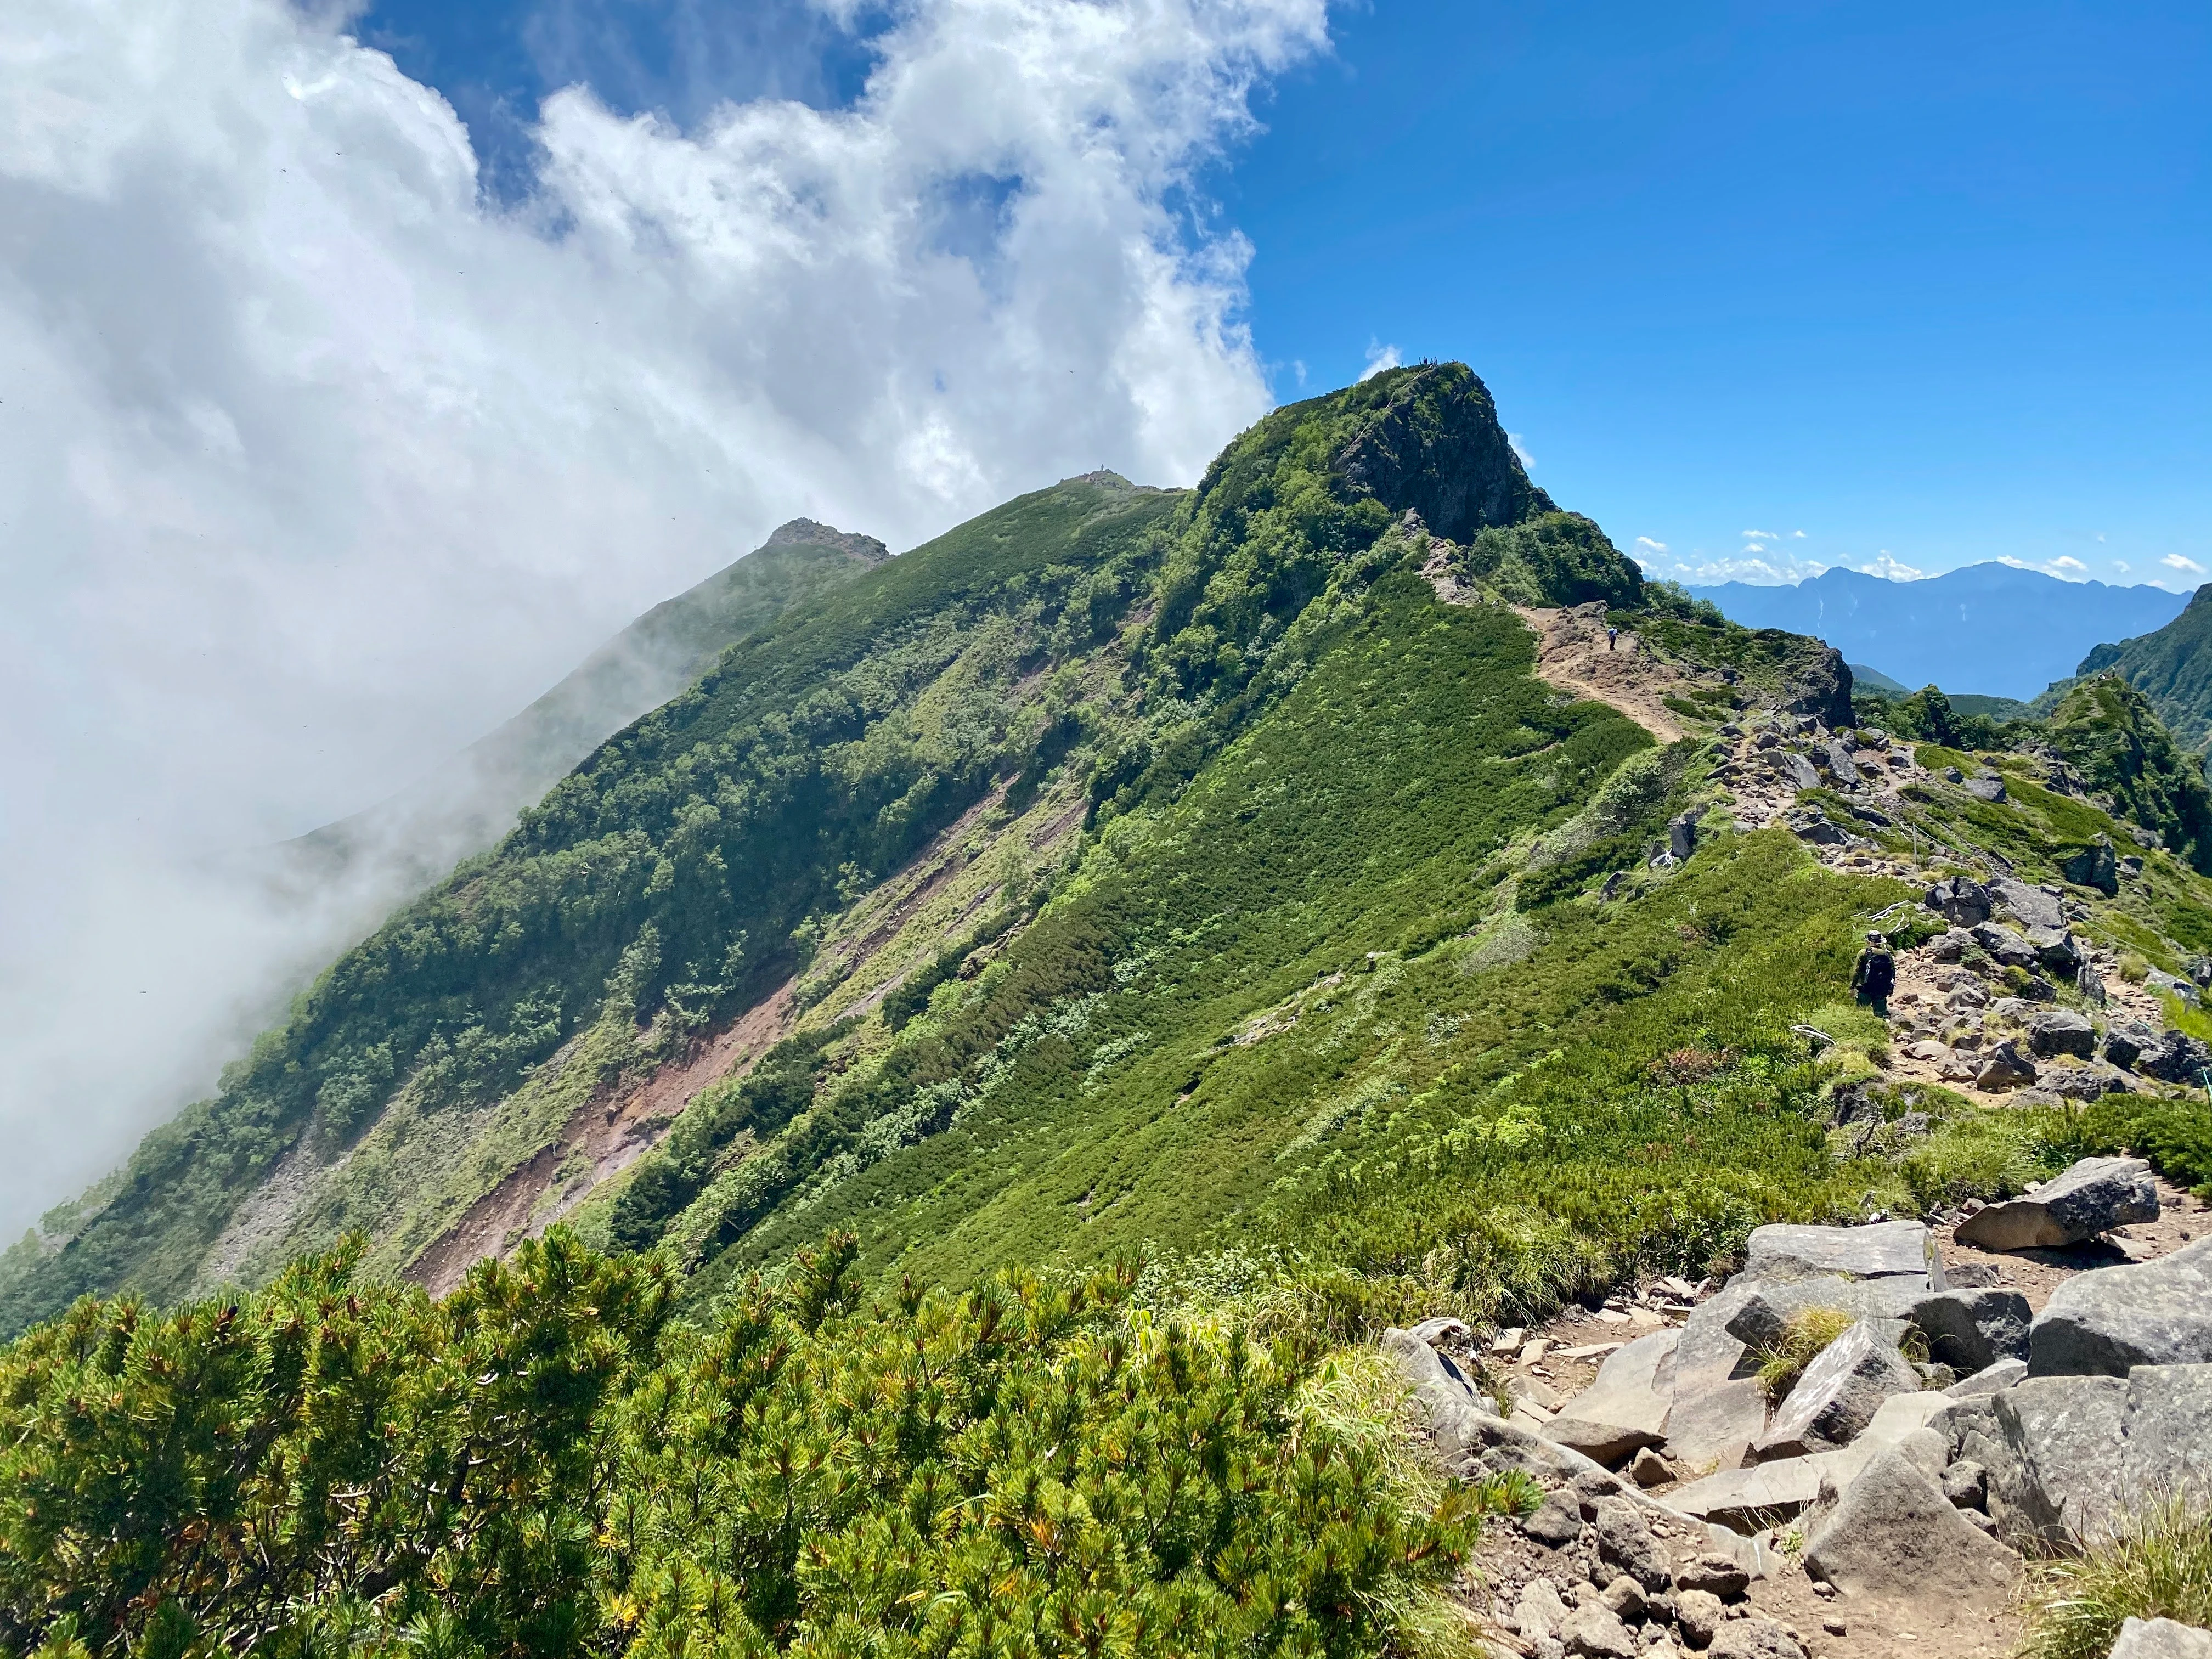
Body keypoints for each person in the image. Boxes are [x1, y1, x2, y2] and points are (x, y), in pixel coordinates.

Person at [1851, 930, 1897, 1018]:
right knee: (1881, 1015)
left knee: (1862, 1014)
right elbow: (1892, 973)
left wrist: (1852, 987)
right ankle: (1883, 1029)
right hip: (1881, 990)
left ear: (1869, 941)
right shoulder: (1888, 955)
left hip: (1865, 989)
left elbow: (1856, 972)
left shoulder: (1863, 953)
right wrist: (1891, 989)